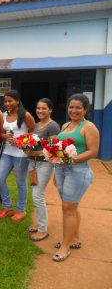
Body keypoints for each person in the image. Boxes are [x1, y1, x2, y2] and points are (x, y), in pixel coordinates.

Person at [52, 94, 99, 262]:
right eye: (71, 107)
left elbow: (92, 152)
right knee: (71, 207)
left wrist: (70, 160)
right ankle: (75, 238)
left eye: (78, 107)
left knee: (68, 208)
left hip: (78, 171)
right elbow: (59, 149)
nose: (74, 110)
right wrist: (56, 170)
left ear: (85, 109)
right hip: (62, 171)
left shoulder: (89, 127)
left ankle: (65, 247)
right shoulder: (65, 125)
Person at [0, 90, 35, 221]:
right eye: (6, 101)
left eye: (10, 101)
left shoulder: (26, 115)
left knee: (20, 182)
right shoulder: (4, 115)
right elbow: (1, 133)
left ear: (17, 101)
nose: (7, 103)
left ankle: (22, 210)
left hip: (21, 154)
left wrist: (22, 142)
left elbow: (33, 133)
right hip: (7, 152)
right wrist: (5, 136)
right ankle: (8, 207)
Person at [25, 98, 60, 241]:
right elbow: (33, 143)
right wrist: (25, 146)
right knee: (36, 194)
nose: (40, 111)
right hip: (32, 164)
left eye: (44, 108)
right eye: (38, 108)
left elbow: (53, 150)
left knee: (38, 195)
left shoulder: (53, 126)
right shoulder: (37, 125)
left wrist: (34, 153)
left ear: (50, 110)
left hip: (45, 164)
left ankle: (43, 229)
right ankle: (40, 223)